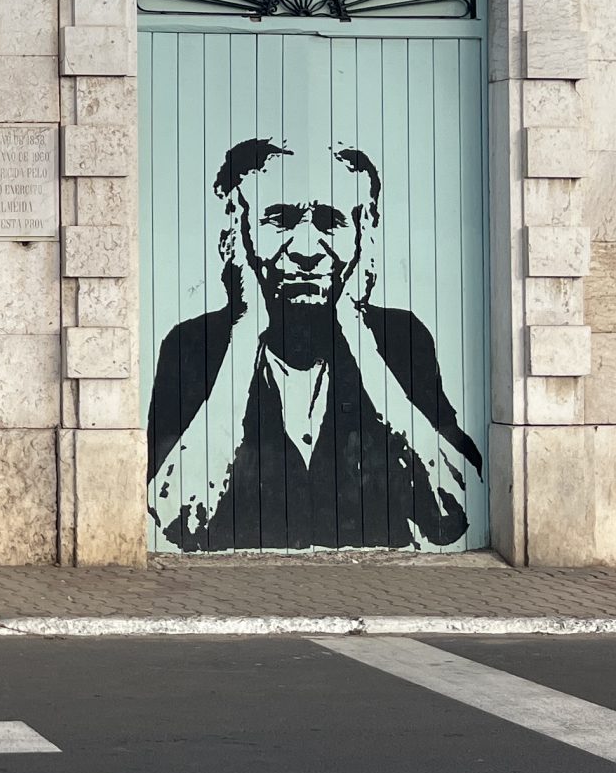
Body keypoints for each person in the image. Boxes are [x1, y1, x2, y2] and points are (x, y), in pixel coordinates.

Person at [146, 135, 479, 551]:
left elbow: (452, 515)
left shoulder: (400, 338)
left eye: (330, 222)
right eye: (279, 220)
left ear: (365, 233)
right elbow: (175, 521)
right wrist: (245, 328)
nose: (306, 249)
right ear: (236, 230)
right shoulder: (192, 345)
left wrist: (355, 326)